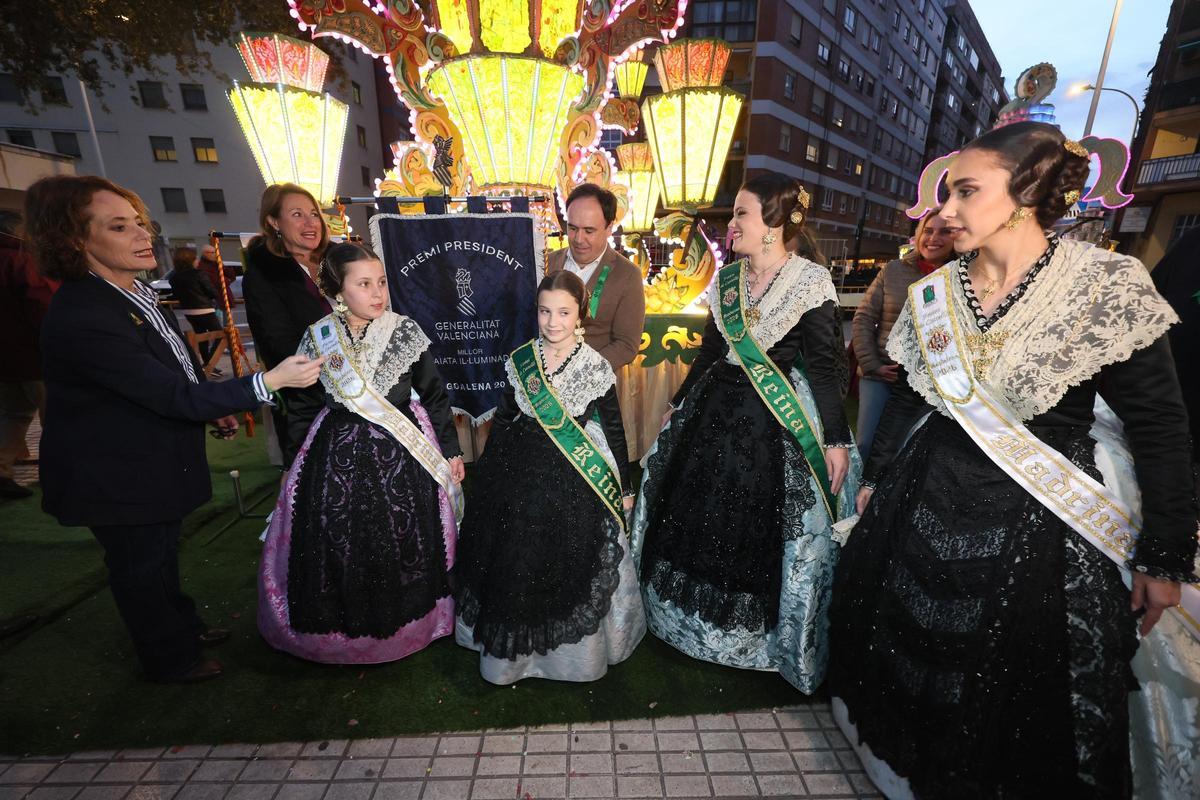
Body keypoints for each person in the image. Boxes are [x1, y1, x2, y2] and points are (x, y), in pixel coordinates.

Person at [828, 122, 1196, 798]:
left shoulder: (1106, 284)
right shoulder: (934, 294)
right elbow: (911, 398)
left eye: (966, 192)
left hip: (1043, 520)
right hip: (925, 491)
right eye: (946, 193)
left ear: (1026, 192)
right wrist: (876, 478)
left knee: (1014, 675)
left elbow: (1160, 425)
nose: (946, 210)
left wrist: (1165, 555)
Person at [26, 175, 323, 683]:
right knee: (139, 565)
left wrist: (211, 402)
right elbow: (167, 395)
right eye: (119, 227)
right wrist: (267, 381)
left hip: (146, 462)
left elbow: (173, 367)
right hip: (113, 474)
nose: (143, 235)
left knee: (161, 552)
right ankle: (169, 658)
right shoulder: (85, 314)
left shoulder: (130, 292)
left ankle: (182, 627)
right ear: (74, 241)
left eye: (139, 223)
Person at [631, 173, 859, 694]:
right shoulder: (728, 280)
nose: (731, 224)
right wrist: (677, 403)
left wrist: (834, 439)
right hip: (715, 408)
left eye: (741, 214)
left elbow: (826, 370)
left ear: (773, 224)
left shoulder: (810, 282)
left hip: (773, 423)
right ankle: (688, 624)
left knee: (756, 519)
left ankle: (752, 638)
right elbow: (710, 352)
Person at [258, 243, 465, 664]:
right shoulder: (319, 337)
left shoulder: (404, 331)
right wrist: (293, 461)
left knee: (405, 532)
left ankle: (413, 622)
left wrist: (450, 450)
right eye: (364, 284)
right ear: (338, 291)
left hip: (402, 454)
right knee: (335, 533)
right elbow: (302, 405)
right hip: (335, 452)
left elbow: (434, 394)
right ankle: (341, 626)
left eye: (382, 283)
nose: (377, 293)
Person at [454, 271, 644, 684]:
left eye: (563, 312)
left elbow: (613, 428)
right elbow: (505, 419)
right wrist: (487, 473)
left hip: (573, 476)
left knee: (569, 557)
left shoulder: (596, 366)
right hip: (517, 469)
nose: (553, 322)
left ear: (580, 314)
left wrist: (625, 488)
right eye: (544, 311)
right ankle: (509, 655)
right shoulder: (521, 359)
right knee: (512, 556)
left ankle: (568, 656)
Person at [850, 210, 953, 460]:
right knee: (866, 445)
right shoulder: (893, 270)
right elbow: (863, 318)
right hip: (882, 376)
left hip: (931, 385)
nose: (933, 238)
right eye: (928, 231)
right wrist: (872, 364)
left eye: (944, 232)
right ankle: (859, 488)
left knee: (909, 452)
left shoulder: (962, 276)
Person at [242, 183, 332, 467]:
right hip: (309, 399)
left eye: (314, 214)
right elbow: (278, 344)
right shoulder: (264, 275)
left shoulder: (339, 260)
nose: (310, 222)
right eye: (297, 214)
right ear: (273, 221)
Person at [546, 183, 646, 370]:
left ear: (609, 228)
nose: (578, 239)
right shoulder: (546, 263)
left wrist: (580, 371)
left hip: (592, 381)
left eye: (589, 231)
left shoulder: (628, 275)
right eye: (572, 228)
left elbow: (626, 345)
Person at [0, 209, 57, 501]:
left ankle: (1, 471)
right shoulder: (22, 259)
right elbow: (41, 306)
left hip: (7, 358)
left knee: (14, 413)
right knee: (58, 416)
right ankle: (58, 475)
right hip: (34, 355)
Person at [168, 246, 223, 369]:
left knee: (202, 336)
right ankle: (210, 364)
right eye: (195, 258)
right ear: (190, 260)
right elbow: (212, 292)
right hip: (205, 309)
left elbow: (176, 294)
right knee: (221, 335)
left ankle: (208, 364)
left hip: (188, 311)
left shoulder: (174, 277)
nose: (197, 260)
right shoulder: (199, 274)